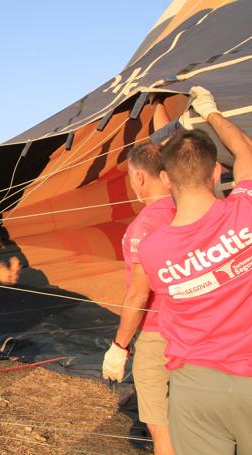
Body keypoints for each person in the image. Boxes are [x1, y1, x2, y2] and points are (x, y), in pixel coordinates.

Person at [138, 86, 252, 454]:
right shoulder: (244, 214)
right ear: (218, 171)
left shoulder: (152, 249)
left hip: (194, 387)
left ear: (166, 180)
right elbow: (245, 152)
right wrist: (211, 111)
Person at [102, 99, 176, 455]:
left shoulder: (142, 227)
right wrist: (157, 104)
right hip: (201, 332)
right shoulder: (198, 206)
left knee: (162, 428)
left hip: (160, 337)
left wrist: (119, 347)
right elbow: (172, 145)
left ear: (140, 178)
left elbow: (138, 296)